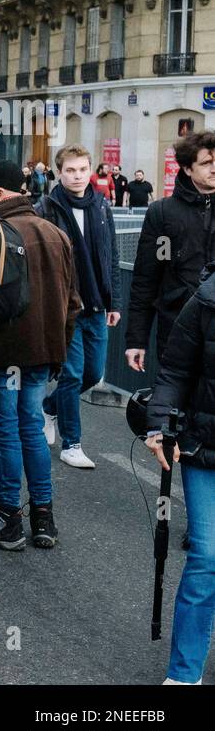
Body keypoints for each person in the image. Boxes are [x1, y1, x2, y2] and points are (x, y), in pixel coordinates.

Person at [0, 160, 78, 553]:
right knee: (30, 428)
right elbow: (72, 302)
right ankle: (43, 517)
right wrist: (58, 352)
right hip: (42, 351)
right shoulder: (54, 232)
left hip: (4, 351)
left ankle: (7, 518)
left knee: (6, 431)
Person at [145, 262, 215, 684]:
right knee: (207, 555)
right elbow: (173, 373)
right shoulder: (206, 300)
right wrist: (159, 426)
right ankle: (184, 673)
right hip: (206, 449)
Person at [35, 145, 121, 469]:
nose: (77, 176)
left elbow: (111, 255)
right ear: (60, 173)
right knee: (71, 375)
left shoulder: (101, 205)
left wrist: (114, 302)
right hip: (66, 308)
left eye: (82, 169)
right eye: (70, 170)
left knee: (92, 373)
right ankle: (72, 443)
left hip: (97, 306)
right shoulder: (47, 207)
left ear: (90, 170)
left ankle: (48, 407)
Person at [127, 130, 215, 377]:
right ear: (188, 168)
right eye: (207, 163)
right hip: (177, 328)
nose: (214, 168)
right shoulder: (162, 213)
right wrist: (137, 339)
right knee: (177, 407)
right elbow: (146, 279)